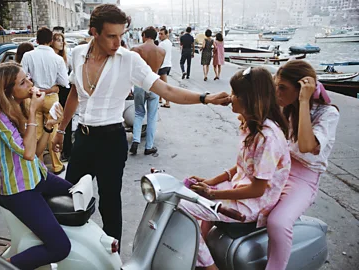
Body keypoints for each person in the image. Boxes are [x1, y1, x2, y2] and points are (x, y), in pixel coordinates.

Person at [51, 4, 231, 250]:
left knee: (109, 203)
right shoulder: (78, 53)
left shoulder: (129, 60)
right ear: (94, 32)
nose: (118, 42)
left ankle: (111, 256)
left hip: (111, 140)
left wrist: (204, 98)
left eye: (121, 35)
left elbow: (165, 89)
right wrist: (61, 130)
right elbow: (74, 93)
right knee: (72, 197)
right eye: (111, 36)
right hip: (82, 137)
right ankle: (73, 251)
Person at [180, 67, 291, 270]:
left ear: (249, 99)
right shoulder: (252, 126)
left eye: (235, 94)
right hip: (240, 192)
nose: (231, 98)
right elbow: (244, 166)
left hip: (251, 205)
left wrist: (214, 195)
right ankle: (197, 252)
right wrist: (210, 182)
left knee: (179, 208)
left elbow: (258, 189)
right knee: (183, 193)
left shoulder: (268, 137)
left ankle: (208, 267)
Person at [0, 62, 70, 269]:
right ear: (8, 92)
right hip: (18, 190)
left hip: (38, 176)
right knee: (59, 247)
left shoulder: (18, 104)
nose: (30, 84)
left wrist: (48, 126)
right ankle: (3, 266)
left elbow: (37, 153)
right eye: (23, 82)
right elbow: (29, 153)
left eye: (28, 78)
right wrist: (33, 112)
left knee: (80, 196)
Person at [266, 60, 340, 270]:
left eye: (283, 88)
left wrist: (304, 102)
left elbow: (307, 145)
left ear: (301, 91)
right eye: (276, 86)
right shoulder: (286, 109)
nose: (277, 93)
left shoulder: (328, 114)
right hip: (278, 169)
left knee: (278, 222)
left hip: (303, 179)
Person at [21, 27, 69, 175]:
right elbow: (64, 82)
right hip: (51, 99)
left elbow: (22, 77)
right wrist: (52, 86)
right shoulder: (58, 59)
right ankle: (57, 165)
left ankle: (39, 165)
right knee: (53, 131)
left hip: (34, 98)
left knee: (35, 131)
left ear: (36, 40)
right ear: (50, 41)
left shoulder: (28, 55)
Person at [129, 26, 164, 156]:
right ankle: (149, 146)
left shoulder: (136, 50)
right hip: (154, 83)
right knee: (152, 117)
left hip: (139, 84)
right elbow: (159, 68)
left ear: (144, 35)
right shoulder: (161, 51)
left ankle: (136, 140)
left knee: (139, 113)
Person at [51, 32, 73, 161]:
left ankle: (67, 150)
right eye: (58, 40)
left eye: (62, 40)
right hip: (53, 90)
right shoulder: (50, 56)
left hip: (64, 89)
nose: (60, 42)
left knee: (66, 120)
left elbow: (70, 72)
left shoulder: (65, 57)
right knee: (53, 120)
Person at [158, 27, 173, 108]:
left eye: (161, 34)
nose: (160, 36)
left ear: (166, 35)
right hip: (168, 65)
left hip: (162, 66)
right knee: (161, 83)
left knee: (164, 86)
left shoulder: (162, 44)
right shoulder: (169, 42)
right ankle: (160, 98)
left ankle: (167, 102)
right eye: (159, 34)